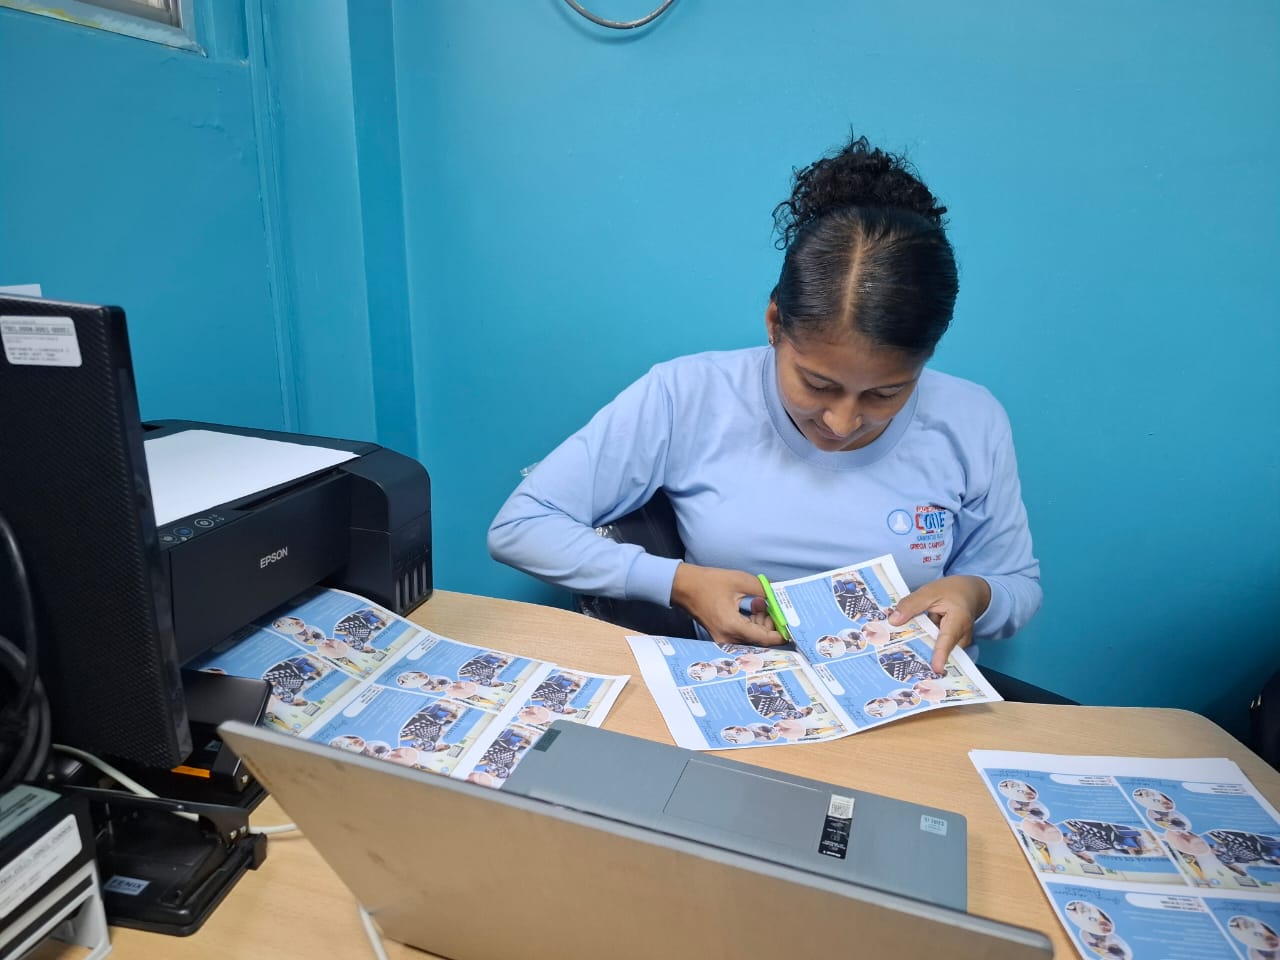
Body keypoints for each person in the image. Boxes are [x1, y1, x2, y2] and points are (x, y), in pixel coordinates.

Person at [488, 133, 1041, 673]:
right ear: (775, 322)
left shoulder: (972, 420)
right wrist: (679, 583)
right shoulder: (690, 395)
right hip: (734, 691)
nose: (842, 422)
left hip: (910, 701)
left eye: (885, 394)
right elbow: (522, 525)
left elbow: (1016, 583)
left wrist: (976, 595)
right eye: (817, 385)